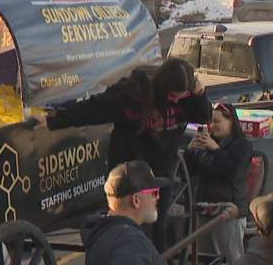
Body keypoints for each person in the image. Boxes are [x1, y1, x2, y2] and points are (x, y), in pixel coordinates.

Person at [41, 58, 211, 250]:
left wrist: (200, 95)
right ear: (163, 87)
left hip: (161, 170)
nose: (176, 101)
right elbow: (95, 109)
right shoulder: (133, 94)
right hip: (130, 173)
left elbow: (204, 116)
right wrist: (53, 120)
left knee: (158, 224)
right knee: (128, 228)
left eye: (182, 96)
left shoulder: (188, 98)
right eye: (172, 96)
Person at [183, 102, 254, 265]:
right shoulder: (207, 143)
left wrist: (215, 150)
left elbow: (233, 172)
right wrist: (190, 151)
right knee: (208, 263)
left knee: (230, 262)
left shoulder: (242, 146)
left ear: (232, 121)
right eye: (210, 122)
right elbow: (187, 173)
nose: (213, 126)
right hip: (204, 208)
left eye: (217, 121)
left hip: (228, 210)